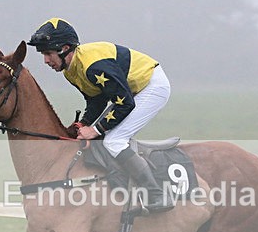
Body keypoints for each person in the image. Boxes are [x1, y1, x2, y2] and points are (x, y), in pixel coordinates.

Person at [27, 18, 173, 213]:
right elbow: (97, 100)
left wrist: (94, 129)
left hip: (151, 86)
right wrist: (83, 125)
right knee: (102, 137)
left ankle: (157, 194)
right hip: (129, 91)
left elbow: (125, 102)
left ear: (65, 48)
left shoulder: (93, 67)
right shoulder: (70, 71)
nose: (45, 61)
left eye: (48, 53)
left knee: (114, 141)